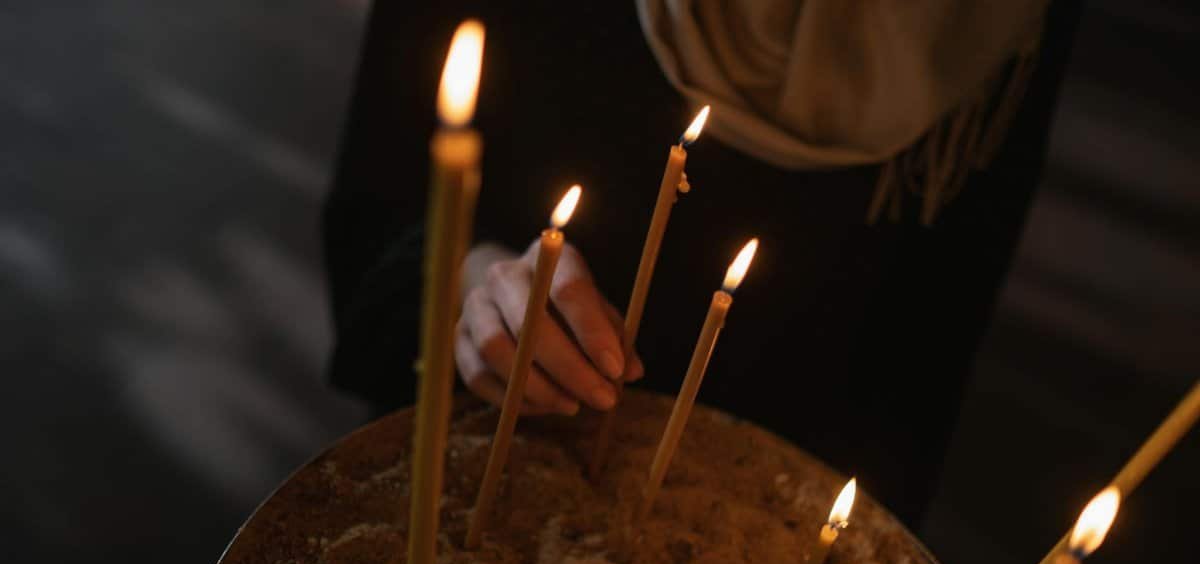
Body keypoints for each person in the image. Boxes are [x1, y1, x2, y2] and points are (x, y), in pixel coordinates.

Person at [322, 1, 1080, 528]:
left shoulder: (994, 24)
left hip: (748, 506)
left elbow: (927, 346)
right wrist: (474, 282)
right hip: (491, 449)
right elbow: (385, 189)